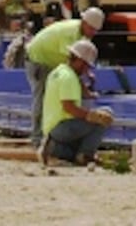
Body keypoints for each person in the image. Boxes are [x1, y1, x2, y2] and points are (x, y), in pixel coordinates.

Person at [24, 5, 105, 146]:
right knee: (42, 98)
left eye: (95, 31)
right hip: (39, 60)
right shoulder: (70, 34)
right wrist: (86, 92)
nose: (93, 33)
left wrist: (87, 73)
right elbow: (73, 66)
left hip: (51, 60)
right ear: (84, 22)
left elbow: (80, 62)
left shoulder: (83, 34)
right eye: (91, 29)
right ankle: (37, 139)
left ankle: (53, 137)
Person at [39, 38, 112, 167]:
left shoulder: (58, 71)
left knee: (72, 152)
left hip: (52, 128)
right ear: (80, 61)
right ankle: (85, 156)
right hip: (62, 127)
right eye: (86, 66)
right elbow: (69, 107)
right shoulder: (69, 78)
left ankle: (56, 150)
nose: (86, 70)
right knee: (103, 117)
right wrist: (93, 116)